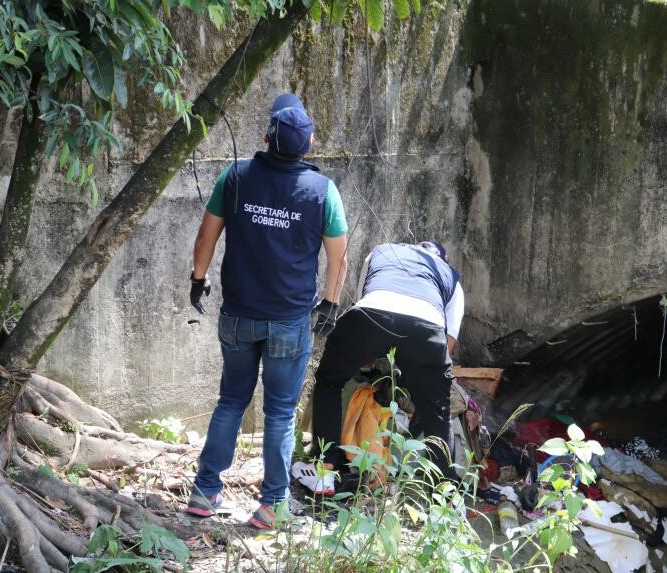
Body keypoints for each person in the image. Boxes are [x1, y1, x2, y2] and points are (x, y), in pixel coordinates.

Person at [185, 93, 348, 529]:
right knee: (279, 412)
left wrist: (198, 279)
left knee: (231, 401)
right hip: (289, 322)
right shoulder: (323, 192)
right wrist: (331, 302)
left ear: (265, 137)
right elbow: (339, 258)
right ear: (310, 144)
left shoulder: (235, 177)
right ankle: (272, 504)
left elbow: (205, 237)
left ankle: (204, 491)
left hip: (238, 316)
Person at [308, 241, 464, 490]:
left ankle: (325, 469)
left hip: (370, 315)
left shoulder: (381, 251)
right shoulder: (449, 276)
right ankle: (444, 491)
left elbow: (365, 300)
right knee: (438, 410)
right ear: (443, 260)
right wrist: (421, 384)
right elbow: (448, 343)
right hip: (426, 329)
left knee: (329, 382)